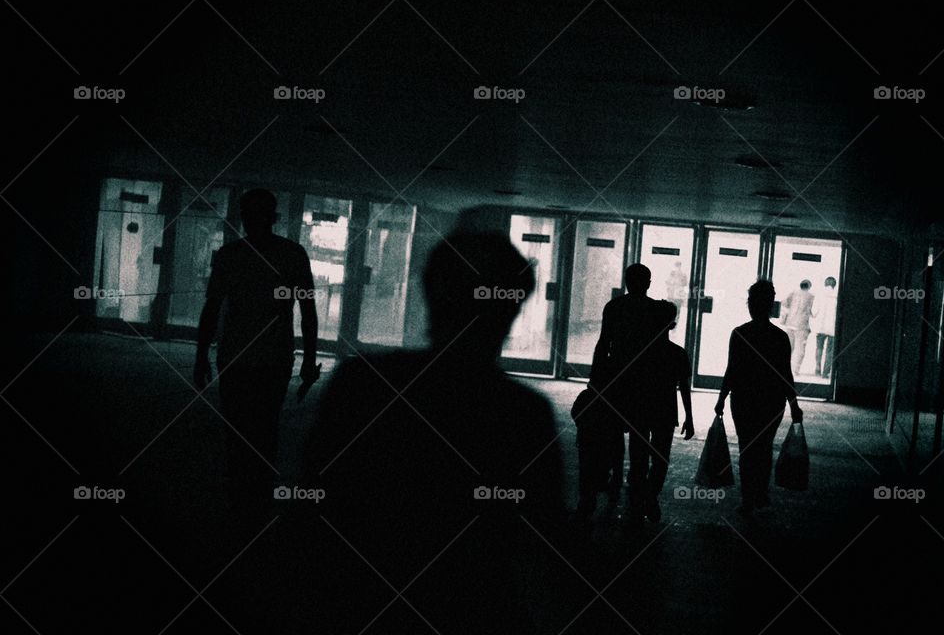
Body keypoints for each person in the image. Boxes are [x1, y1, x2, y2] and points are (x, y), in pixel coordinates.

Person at [296, 228, 566, 633]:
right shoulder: (522, 413)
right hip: (471, 609)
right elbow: (543, 542)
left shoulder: (362, 384)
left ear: (430, 295)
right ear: (510, 310)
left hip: (357, 602)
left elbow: (312, 508)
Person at [193, 189, 321, 516]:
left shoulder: (230, 255)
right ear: (273, 217)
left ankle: (243, 498)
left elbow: (212, 308)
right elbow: (307, 309)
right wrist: (307, 360)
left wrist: (200, 356)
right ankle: (257, 498)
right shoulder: (292, 254)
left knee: (239, 431)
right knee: (264, 429)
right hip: (271, 358)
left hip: (238, 355)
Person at [715, 280, 803, 514]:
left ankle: (747, 498)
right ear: (770, 305)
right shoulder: (780, 337)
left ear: (750, 305)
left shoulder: (740, 334)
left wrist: (721, 398)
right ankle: (760, 492)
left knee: (747, 448)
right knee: (764, 447)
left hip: (743, 399)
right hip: (771, 401)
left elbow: (731, 369)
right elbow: (785, 373)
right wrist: (794, 404)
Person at [588, 263, 663, 513]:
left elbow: (603, 343)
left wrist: (595, 378)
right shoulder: (654, 310)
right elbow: (658, 348)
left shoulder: (614, 307)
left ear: (626, 281)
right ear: (648, 283)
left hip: (616, 377)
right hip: (643, 379)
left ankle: (616, 477)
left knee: (614, 431)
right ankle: (637, 480)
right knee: (640, 434)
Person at [629, 300, 695, 523]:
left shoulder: (639, 350)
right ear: (673, 325)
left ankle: (638, 500)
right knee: (660, 459)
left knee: (638, 458)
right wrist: (689, 417)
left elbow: (631, 382)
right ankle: (650, 496)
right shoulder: (677, 354)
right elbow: (684, 387)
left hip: (639, 409)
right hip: (665, 412)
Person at [781, 279, 815, 375]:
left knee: (788, 348)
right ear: (809, 287)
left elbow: (784, 303)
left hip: (790, 323)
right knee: (800, 349)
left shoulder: (793, 293)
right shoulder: (811, 297)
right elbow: (813, 312)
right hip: (802, 326)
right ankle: (795, 370)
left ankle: (784, 368)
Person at [812, 276, 838, 378]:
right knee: (830, 350)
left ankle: (817, 368)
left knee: (819, 348)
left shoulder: (819, 294)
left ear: (825, 283)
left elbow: (814, 312)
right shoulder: (837, 295)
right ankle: (825, 372)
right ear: (834, 285)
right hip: (832, 327)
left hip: (820, 326)